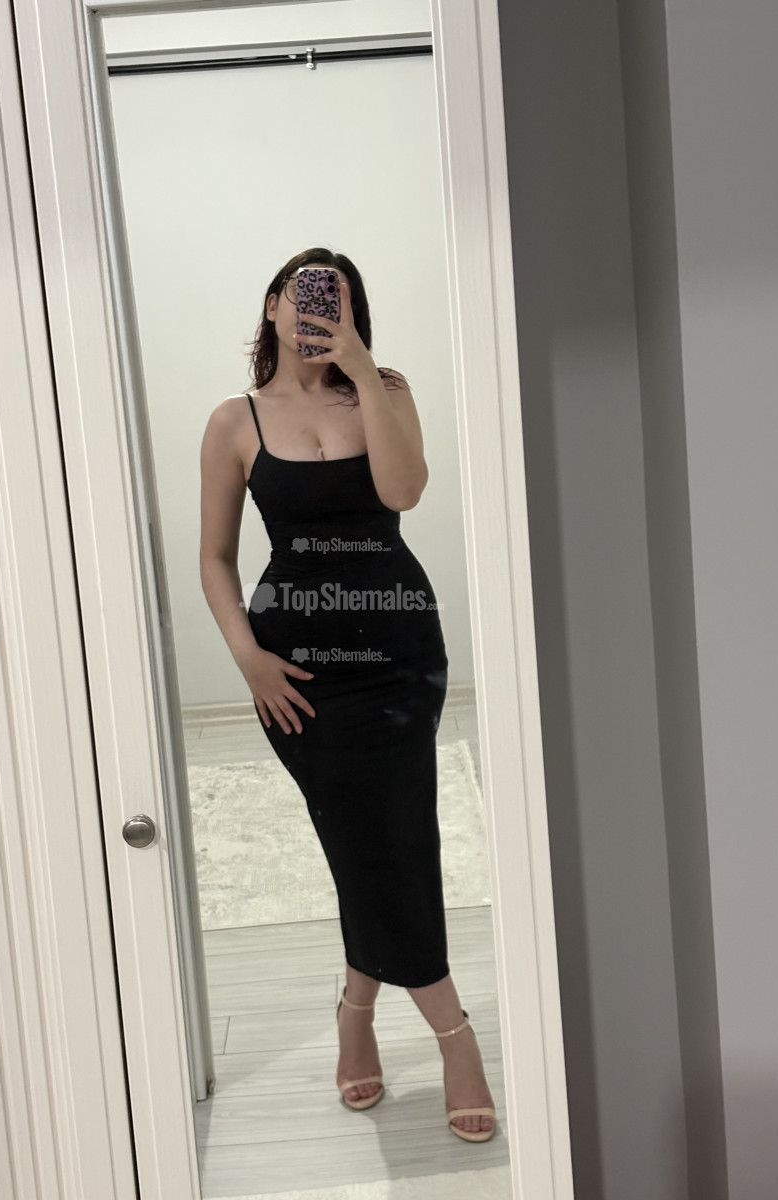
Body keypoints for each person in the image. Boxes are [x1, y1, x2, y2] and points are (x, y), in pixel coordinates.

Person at [199, 249, 495, 1141]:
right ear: (273, 306)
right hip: (297, 669)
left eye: (340, 301)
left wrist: (363, 372)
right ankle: (452, 1031)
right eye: (305, 295)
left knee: (398, 831)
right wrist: (248, 659)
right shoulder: (235, 421)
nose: (320, 312)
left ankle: (359, 1008)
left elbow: (404, 491)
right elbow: (214, 557)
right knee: (360, 836)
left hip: (399, 650)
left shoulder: (385, 392)